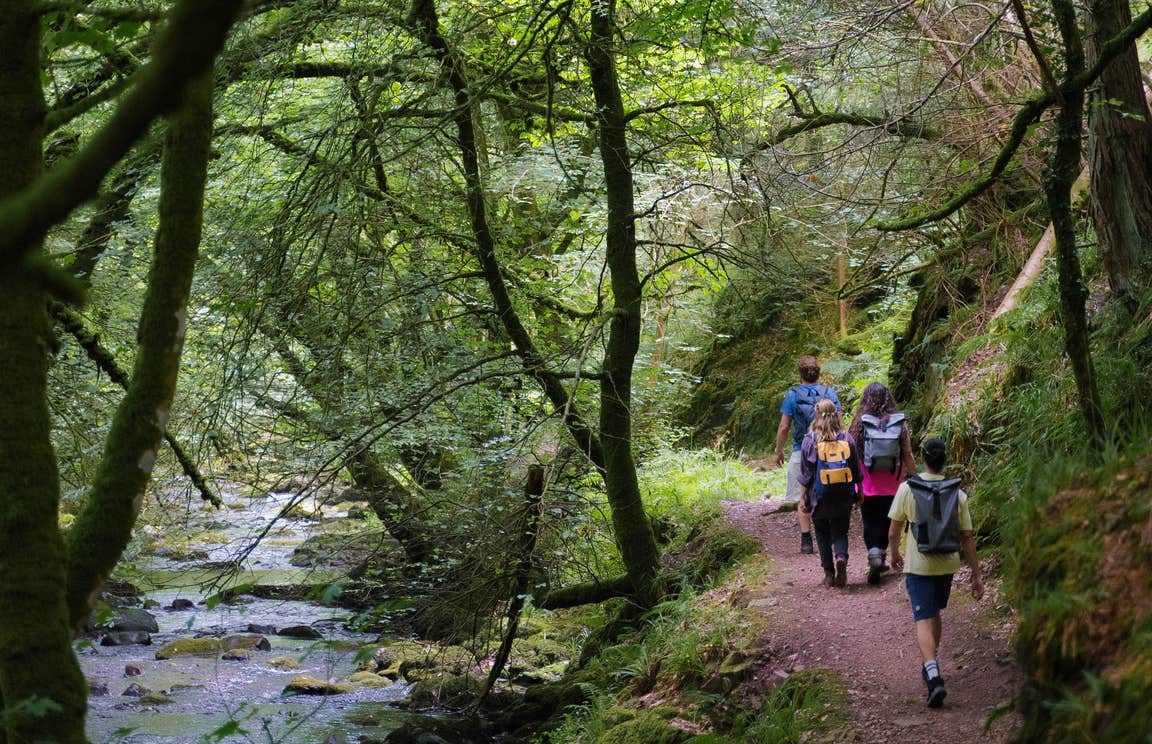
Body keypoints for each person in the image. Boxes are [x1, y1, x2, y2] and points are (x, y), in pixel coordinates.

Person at [888, 438, 984, 708]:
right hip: (947, 565)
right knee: (934, 613)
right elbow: (967, 537)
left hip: (919, 566)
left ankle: (933, 675)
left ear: (923, 458)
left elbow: (894, 529)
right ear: (945, 459)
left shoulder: (908, 488)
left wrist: (893, 553)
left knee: (923, 618)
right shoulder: (958, 493)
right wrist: (976, 575)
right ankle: (931, 663)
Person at [847, 382, 917, 584]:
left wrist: (852, 480)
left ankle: (875, 554)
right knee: (888, 519)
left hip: (867, 481)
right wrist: (916, 477)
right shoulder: (899, 422)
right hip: (893, 481)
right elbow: (907, 453)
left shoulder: (860, 421)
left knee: (869, 519)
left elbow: (850, 449)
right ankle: (882, 554)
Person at [774, 355, 841, 554]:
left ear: (800, 374)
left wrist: (778, 451)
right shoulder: (829, 393)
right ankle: (828, 534)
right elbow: (839, 421)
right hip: (829, 447)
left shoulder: (792, 395)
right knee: (828, 490)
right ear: (818, 373)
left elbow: (784, 426)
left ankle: (806, 540)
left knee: (801, 495)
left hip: (801, 449)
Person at [797, 399, 861, 587]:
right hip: (843, 494)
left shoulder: (810, 440)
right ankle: (841, 556)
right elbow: (855, 469)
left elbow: (806, 473)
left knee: (822, 532)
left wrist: (803, 497)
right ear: (836, 415)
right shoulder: (846, 438)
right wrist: (859, 492)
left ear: (816, 415)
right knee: (840, 530)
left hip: (819, 495)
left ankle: (828, 573)